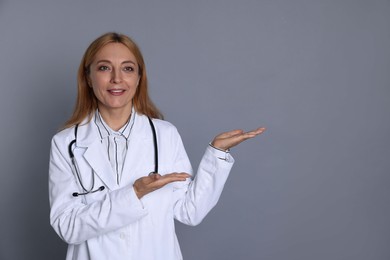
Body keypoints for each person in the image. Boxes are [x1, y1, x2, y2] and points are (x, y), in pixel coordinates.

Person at [48, 32, 265, 260]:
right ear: (89, 77)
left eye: (128, 68)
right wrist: (135, 193)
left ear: (139, 77)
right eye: (104, 68)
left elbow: (190, 212)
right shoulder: (66, 144)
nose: (117, 78)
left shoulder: (164, 134)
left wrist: (217, 153)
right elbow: (68, 227)